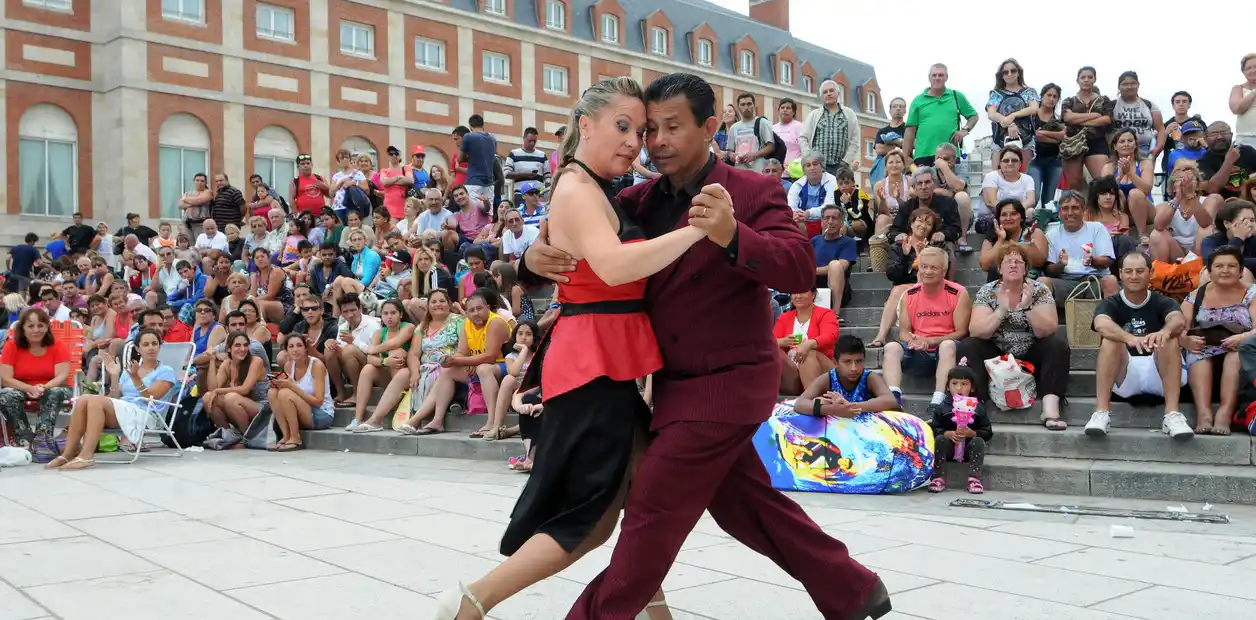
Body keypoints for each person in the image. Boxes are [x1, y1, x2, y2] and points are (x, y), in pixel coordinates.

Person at [517, 73, 889, 620]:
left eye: (672, 127)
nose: (657, 141)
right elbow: (574, 246)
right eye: (650, 130)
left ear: (710, 128)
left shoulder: (751, 190)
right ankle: (855, 590)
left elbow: (798, 268)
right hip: (669, 386)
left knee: (651, 511)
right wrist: (529, 263)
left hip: (729, 381)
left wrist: (734, 234)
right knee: (746, 507)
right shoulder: (638, 199)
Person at [431, 76, 718, 620]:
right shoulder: (577, 189)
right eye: (624, 126)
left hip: (605, 359)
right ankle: (469, 602)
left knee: (640, 500)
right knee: (590, 519)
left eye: (643, 129)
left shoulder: (591, 186)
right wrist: (698, 231)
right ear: (585, 126)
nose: (636, 141)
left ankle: (653, 608)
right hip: (592, 363)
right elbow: (613, 266)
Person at [958, 242, 1070, 429]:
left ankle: (1050, 409)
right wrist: (1001, 310)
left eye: (1018, 262)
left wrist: (1026, 307)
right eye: (1008, 261)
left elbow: (1048, 329)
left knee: (1057, 345)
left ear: (1026, 268)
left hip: (1030, 351)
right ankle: (977, 407)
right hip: (997, 353)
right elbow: (976, 330)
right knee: (969, 345)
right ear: (999, 268)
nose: (1013, 265)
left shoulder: (1039, 290)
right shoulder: (987, 291)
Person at [1088, 252, 1192, 439]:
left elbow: (1177, 320)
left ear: (1150, 273)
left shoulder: (1163, 301)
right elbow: (1100, 323)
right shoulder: (1111, 303)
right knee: (1110, 339)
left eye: (1139, 271)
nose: (1134, 276)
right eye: (1128, 271)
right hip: (1125, 373)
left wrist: (1164, 332)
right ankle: (1101, 412)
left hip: (1159, 370)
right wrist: (1128, 338)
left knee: (1168, 338)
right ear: (1120, 274)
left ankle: (1172, 415)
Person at [46, 329, 175, 470]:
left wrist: (136, 377)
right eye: (146, 344)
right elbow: (114, 397)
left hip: (146, 414)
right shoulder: (130, 370)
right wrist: (114, 375)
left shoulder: (166, 370)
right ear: (138, 348)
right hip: (124, 410)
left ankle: (86, 455)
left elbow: (151, 397)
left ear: (159, 346)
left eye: (154, 344)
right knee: (83, 399)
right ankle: (69, 453)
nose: (151, 347)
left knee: (95, 400)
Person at [882, 246, 970, 411]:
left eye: (933, 267)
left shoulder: (958, 292)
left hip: (946, 352)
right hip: (919, 351)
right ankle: (893, 397)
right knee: (891, 347)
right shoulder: (909, 294)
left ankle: (939, 400)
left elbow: (962, 332)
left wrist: (930, 341)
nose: (927, 272)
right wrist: (915, 341)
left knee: (947, 345)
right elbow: (903, 331)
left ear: (944, 271)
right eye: (924, 267)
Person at [1180, 246, 1256, 435]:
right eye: (1219, 265)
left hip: (1239, 348)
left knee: (1237, 354)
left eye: (1232, 266)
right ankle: (1204, 414)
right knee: (1197, 354)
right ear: (1209, 270)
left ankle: (1224, 414)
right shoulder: (1195, 295)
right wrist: (1185, 341)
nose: (1225, 270)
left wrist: (1243, 337)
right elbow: (1178, 329)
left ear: (1240, 271)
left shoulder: (1252, 293)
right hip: (1204, 348)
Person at [0, 307, 72, 454]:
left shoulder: (58, 346)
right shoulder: (12, 346)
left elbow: (62, 375)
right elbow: (6, 379)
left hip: (53, 387)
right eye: (31, 326)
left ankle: (42, 439)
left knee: (54, 392)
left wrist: (43, 387)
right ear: (23, 328)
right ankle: (25, 438)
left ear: (47, 327)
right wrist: (30, 388)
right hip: (22, 387)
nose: (36, 330)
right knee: (6, 394)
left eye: (41, 325)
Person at [348, 300, 417, 432]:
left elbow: (395, 343)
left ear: (401, 314)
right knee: (368, 369)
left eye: (393, 313)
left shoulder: (408, 327)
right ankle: (357, 418)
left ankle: (376, 420)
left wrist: (373, 349)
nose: (389, 316)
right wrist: (385, 362)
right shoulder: (379, 333)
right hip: (389, 376)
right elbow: (370, 359)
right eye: (385, 313)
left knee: (397, 352)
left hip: (406, 375)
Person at [791, 335, 900, 416]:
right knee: (819, 401)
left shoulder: (869, 377)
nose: (854, 368)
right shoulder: (828, 378)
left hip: (866, 429)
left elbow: (890, 400)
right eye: (847, 362)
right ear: (835, 362)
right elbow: (800, 403)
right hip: (838, 432)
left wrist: (851, 406)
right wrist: (832, 409)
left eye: (859, 361)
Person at [1039, 191, 1119, 301]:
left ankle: (1110, 317)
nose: (1070, 213)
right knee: (1043, 282)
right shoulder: (1051, 235)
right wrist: (1061, 264)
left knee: (1110, 280)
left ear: (1084, 210)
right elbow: (1050, 270)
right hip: (1066, 281)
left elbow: (1107, 261)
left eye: (1075, 208)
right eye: (1065, 208)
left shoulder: (1097, 228)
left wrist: (1092, 260)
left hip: (1095, 279)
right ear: (1059, 213)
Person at [926, 363, 992, 494]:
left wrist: (973, 433)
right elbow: (933, 428)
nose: (959, 388)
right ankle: (938, 477)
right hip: (948, 450)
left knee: (978, 441)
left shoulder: (978, 408)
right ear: (948, 387)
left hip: (968, 450)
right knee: (940, 439)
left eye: (964, 384)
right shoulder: (942, 408)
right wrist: (946, 433)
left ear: (972, 388)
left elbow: (987, 432)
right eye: (954, 383)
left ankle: (974, 479)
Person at [268, 335, 335, 451]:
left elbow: (318, 402)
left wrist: (292, 386)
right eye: (291, 346)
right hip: (302, 410)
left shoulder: (316, 365)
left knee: (285, 393)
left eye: (299, 346)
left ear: (305, 349)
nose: (295, 349)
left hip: (321, 414)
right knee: (272, 392)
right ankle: (286, 436)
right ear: (287, 351)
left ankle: (296, 438)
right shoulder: (289, 365)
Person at [203, 330, 268, 442]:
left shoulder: (256, 361)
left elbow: (244, 389)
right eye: (237, 345)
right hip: (240, 407)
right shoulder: (227, 364)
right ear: (229, 348)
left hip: (262, 408)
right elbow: (212, 389)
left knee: (231, 397)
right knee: (207, 397)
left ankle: (247, 438)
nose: (242, 349)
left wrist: (218, 391)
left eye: (245, 345)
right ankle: (228, 434)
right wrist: (212, 361)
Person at [773, 287, 839, 394]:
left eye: (802, 292)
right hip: (792, 374)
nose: (798, 296)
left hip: (821, 370)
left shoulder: (825, 314)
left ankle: (811, 399)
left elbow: (831, 335)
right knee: (773, 349)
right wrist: (781, 341)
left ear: (813, 294)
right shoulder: (784, 318)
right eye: (795, 293)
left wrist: (809, 344)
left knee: (808, 353)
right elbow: (769, 342)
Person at [1061, 66, 1113, 192]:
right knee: (1075, 185)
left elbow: (1107, 119)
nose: (1086, 80)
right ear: (1077, 80)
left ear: (1094, 79)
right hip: (1073, 143)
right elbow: (1067, 118)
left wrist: (1078, 120)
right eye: (1083, 77)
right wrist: (1095, 116)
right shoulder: (1069, 101)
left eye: (1090, 77)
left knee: (1104, 182)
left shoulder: (1103, 100)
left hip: (1096, 141)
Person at [1151, 159, 1212, 263]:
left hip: (1198, 249)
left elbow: (1206, 223)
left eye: (1190, 179)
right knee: (1156, 234)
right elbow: (1158, 225)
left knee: (1206, 230)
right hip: (1176, 250)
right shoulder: (1164, 205)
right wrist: (1178, 199)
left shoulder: (1208, 200)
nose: (1185, 183)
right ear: (1173, 187)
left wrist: (1190, 196)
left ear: (1197, 186)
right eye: (1180, 179)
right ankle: (1162, 274)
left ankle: (1202, 270)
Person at [1101, 128, 1155, 243]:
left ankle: (1142, 234)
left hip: (1145, 208)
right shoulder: (1108, 167)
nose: (1126, 144)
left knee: (1134, 193)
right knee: (1118, 193)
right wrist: (1119, 176)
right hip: (1122, 209)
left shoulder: (1145, 163)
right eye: (1122, 141)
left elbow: (1147, 189)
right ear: (1115, 146)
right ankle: (1117, 229)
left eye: (1130, 141)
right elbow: (1103, 193)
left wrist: (1129, 173)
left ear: (1135, 144)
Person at [979, 198, 1047, 282]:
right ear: (998, 219)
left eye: (1013, 214)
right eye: (1004, 215)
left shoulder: (1033, 233)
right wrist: (1000, 240)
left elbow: (1039, 262)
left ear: (1022, 217)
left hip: (1029, 283)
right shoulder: (993, 236)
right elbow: (985, 265)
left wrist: (1027, 241)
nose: (1008, 218)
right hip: (1001, 286)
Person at [809, 205, 855, 319]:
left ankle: (835, 313)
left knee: (835, 265)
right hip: (814, 287)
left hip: (838, 289)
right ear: (821, 221)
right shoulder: (815, 240)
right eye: (826, 218)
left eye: (834, 218)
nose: (830, 222)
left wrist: (811, 270)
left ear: (841, 223)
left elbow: (842, 266)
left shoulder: (848, 242)